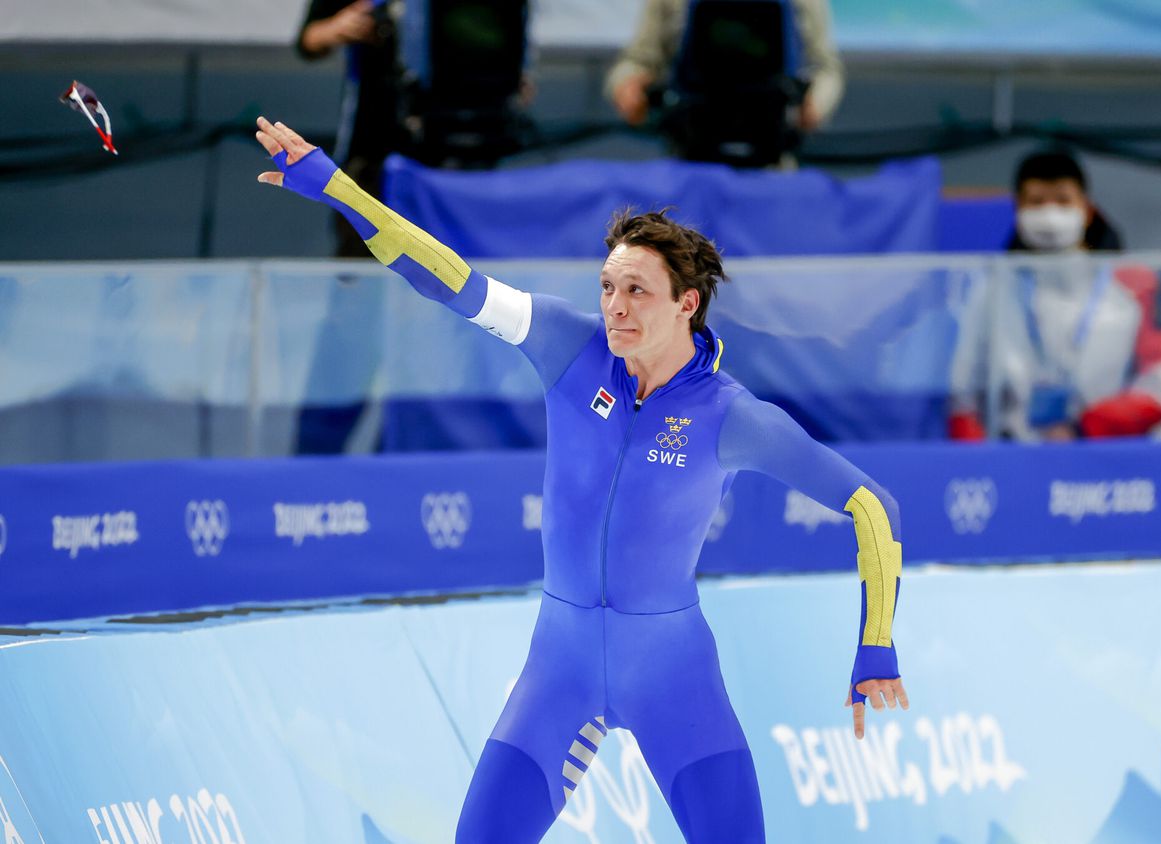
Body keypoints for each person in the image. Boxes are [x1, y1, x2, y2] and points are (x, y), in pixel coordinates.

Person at [254, 116, 908, 842]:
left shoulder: (731, 416)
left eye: (636, 291)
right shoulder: (568, 346)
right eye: (606, 287)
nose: (615, 307)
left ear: (686, 304)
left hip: (672, 677)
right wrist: (339, 188)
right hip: (556, 669)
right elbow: (449, 280)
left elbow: (870, 507)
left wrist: (874, 642)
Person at [949, 149, 1161, 442]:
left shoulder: (1136, 286)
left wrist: (1085, 427)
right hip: (1018, 455)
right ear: (1018, 210)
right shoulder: (993, 289)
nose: (1049, 214)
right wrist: (981, 465)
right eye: (1036, 202)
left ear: (1086, 210)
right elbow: (963, 394)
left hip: (1110, 458)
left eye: (1062, 200)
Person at [606, 0, 844, 135]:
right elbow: (637, 60)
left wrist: (815, 103)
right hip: (690, 150)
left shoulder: (804, 4)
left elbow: (825, 67)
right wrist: (629, 87)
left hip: (772, 155)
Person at [297, 0, 400, 258]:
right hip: (370, 142)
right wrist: (336, 27)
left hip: (464, 137)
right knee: (361, 250)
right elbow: (307, 40)